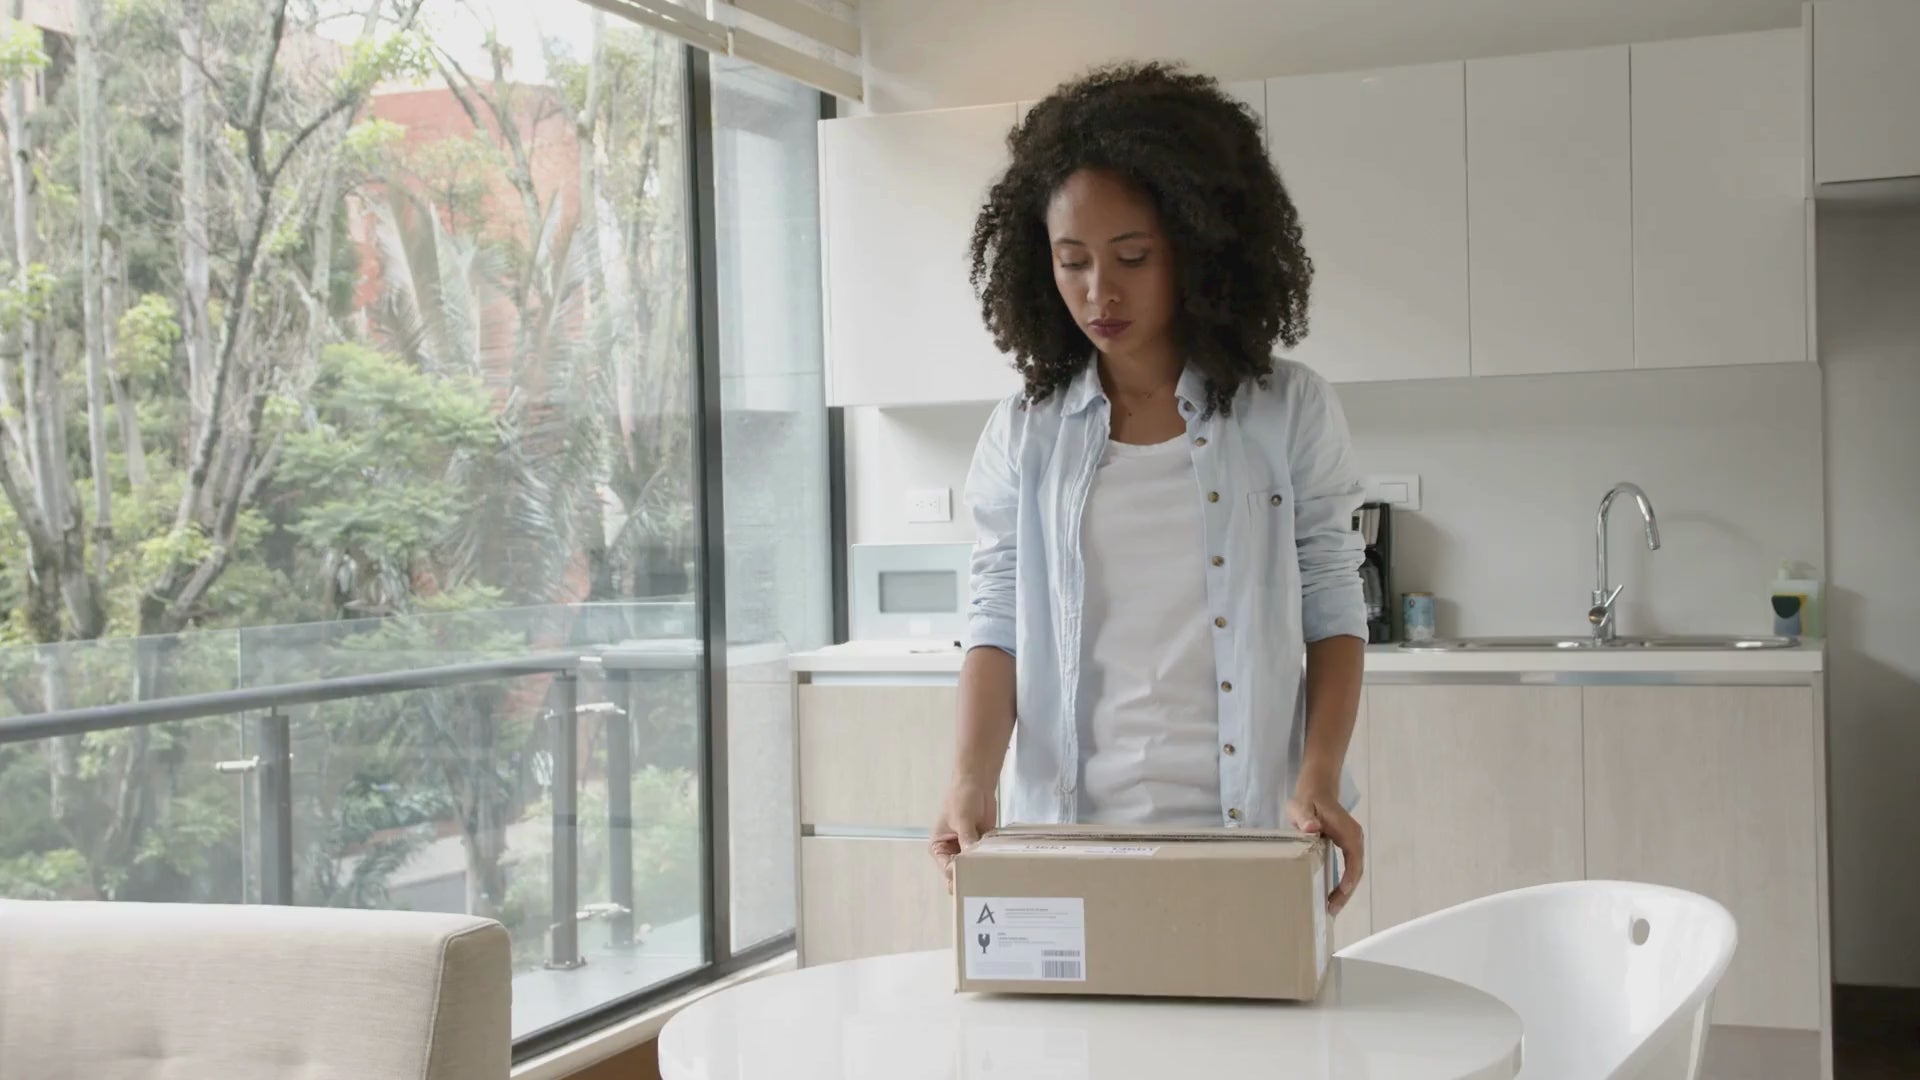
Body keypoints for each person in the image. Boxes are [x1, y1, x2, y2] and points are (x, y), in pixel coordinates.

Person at [929, 61, 1369, 915]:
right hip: (1067, 834)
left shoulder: (1289, 412)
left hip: (1253, 835)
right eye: (1072, 261)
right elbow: (996, 618)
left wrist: (1318, 779)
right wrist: (970, 779)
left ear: (1198, 248)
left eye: (1132, 256)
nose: (1100, 291)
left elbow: (1332, 606)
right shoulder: (1025, 434)